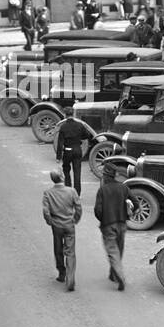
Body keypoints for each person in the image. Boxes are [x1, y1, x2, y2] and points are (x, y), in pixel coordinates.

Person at [42, 168, 82, 291]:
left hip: (57, 226)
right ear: (63, 177)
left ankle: (61, 272)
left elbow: (45, 211)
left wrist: (50, 221)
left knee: (58, 249)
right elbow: (78, 207)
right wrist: (75, 219)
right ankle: (70, 278)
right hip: (69, 225)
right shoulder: (71, 191)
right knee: (70, 252)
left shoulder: (48, 193)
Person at [94, 163, 133, 291]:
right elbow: (136, 203)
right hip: (122, 224)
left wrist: (103, 219)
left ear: (105, 176)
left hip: (108, 224)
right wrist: (129, 215)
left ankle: (120, 276)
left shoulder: (102, 190)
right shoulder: (124, 188)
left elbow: (97, 210)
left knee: (112, 251)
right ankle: (113, 274)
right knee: (119, 249)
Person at [54, 103, 88, 196]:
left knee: (66, 171)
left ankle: (68, 191)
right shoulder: (80, 125)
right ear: (73, 114)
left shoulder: (63, 127)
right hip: (77, 150)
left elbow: (60, 143)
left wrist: (58, 157)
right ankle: (77, 194)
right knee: (77, 172)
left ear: (65, 115)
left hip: (68, 151)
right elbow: (86, 135)